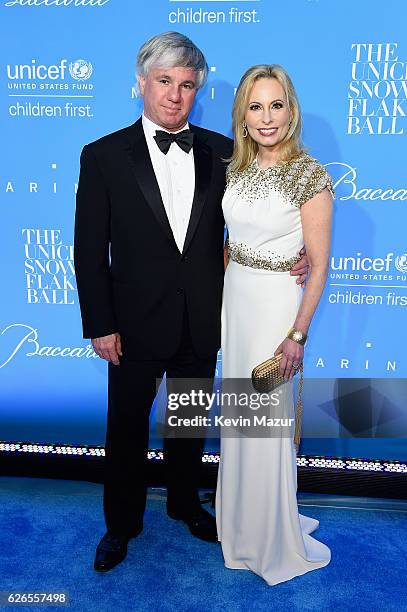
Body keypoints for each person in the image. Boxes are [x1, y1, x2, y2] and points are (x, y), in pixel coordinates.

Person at [74, 33, 308, 573]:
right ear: (140, 84)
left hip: (203, 316)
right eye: (164, 83)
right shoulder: (103, 155)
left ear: (197, 88)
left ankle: (184, 502)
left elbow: (258, 219)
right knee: (126, 427)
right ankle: (122, 524)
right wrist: (100, 324)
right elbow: (88, 249)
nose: (175, 96)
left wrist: (295, 257)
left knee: (187, 421)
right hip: (130, 324)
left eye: (185, 85)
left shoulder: (225, 151)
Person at [215, 64, 334, 585]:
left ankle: (269, 536)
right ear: (243, 113)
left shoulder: (310, 175)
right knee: (240, 419)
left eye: (277, 104)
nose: (267, 117)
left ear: (292, 110)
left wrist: (297, 333)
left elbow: (321, 264)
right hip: (236, 301)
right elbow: (229, 239)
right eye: (256, 106)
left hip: (274, 311)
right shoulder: (234, 168)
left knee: (265, 422)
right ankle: (239, 524)